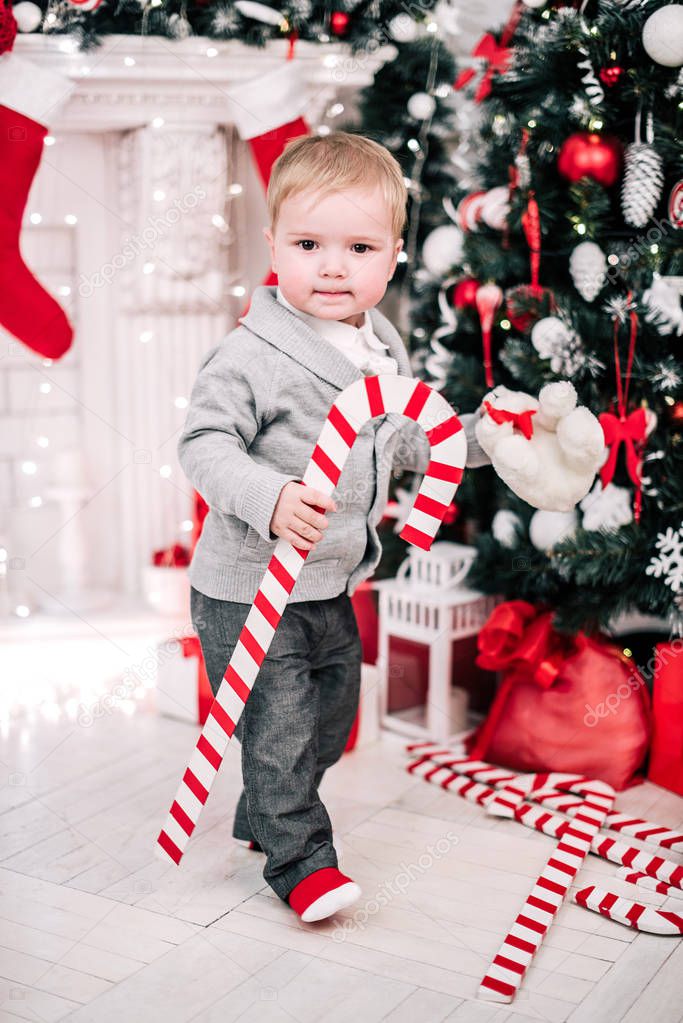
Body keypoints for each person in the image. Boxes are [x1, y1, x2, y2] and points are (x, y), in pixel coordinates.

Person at [178, 131, 490, 923]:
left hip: (331, 583)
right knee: (279, 730)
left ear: (391, 260)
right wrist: (270, 493)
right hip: (249, 589)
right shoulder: (248, 355)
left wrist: (490, 439)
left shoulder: (380, 349)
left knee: (328, 723)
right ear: (273, 245)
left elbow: (415, 442)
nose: (331, 266)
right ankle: (301, 861)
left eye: (358, 247)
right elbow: (204, 444)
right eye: (309, 243)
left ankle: (262, 810)